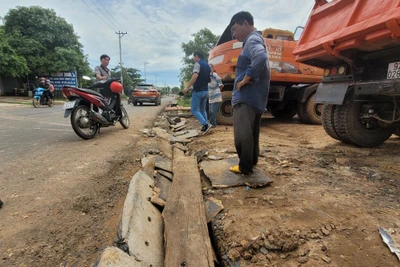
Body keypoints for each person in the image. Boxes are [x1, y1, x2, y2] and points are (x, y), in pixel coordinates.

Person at [228, 11, 270, 175]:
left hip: (246, 96)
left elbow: (260, 57)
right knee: (252, 133)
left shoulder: (251, 40)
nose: (233, 34)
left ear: (245, 23)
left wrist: (246, 78)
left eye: (234, 29)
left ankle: (244, 167)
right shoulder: (257, 39)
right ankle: (251, 162)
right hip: (256, 97)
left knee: (242, 134)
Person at [182, 51, 212, 135]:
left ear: (196, 56)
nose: (193, 58)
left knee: (194, 109)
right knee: (202, 109)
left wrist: (187, 87)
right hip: (206, 91)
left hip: (198, 91)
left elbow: (195, 75)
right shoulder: (208, 66)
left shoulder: (197, 64)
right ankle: (206, 125)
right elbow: (209, 79)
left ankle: (205, 124)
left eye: (193, 56)